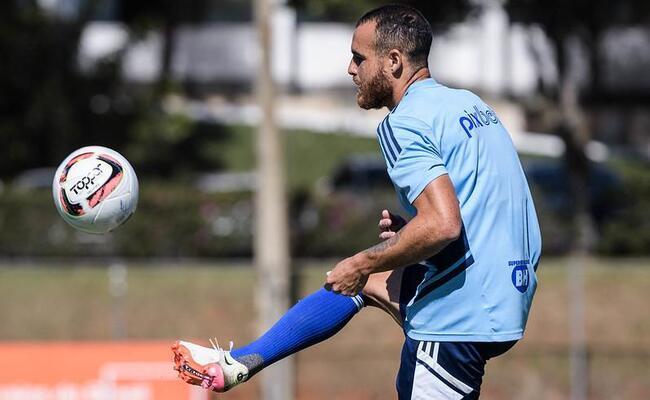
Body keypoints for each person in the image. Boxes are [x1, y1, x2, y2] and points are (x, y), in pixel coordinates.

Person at [172, 4, 541, 399]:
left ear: (394, 62)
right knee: (371, 281)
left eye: (359, 58)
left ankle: (241, 361)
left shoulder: (404, 122)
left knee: (361, 271)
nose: (351, 69)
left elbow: (443, 225)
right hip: (508, 295)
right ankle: (242, 361)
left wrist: (363, 260)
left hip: (456, 320)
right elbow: (482, 206)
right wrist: (408, 237)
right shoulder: (469, 105)